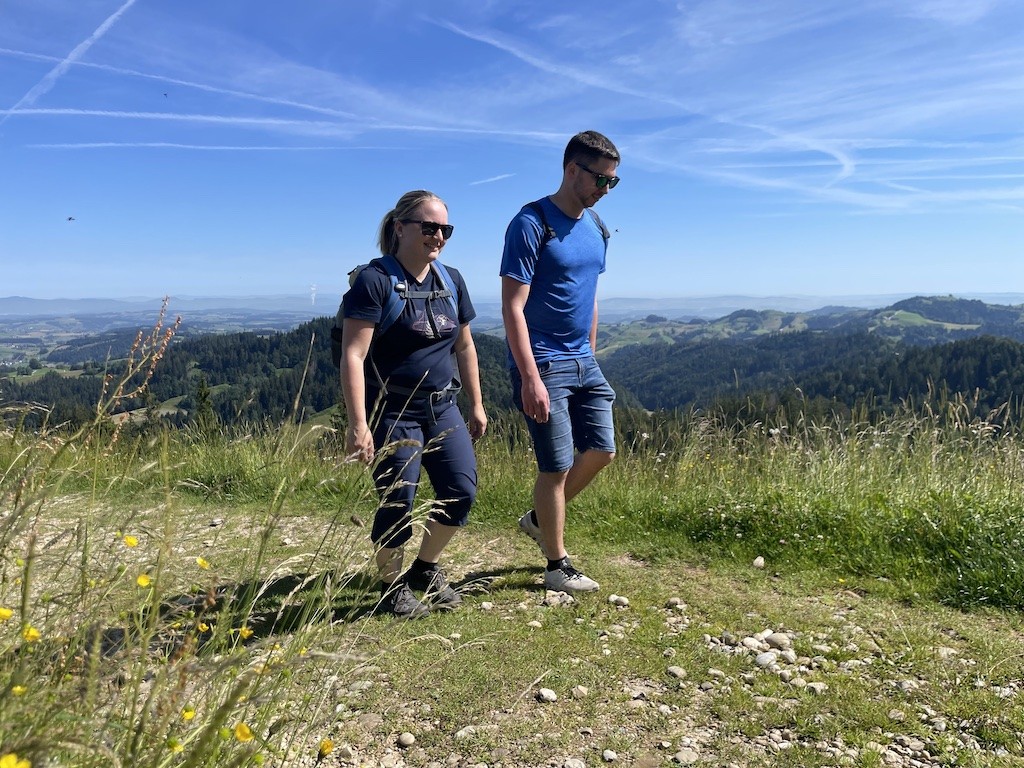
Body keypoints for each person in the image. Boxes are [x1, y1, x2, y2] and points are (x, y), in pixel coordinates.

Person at [340, 190, 487, 618]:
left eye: (444, 229)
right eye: (428, 227)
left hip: (443, 407)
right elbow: (354, 354)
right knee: (397, 501)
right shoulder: (374, 281)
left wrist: (476, 403)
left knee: (460, 491)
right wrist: (358, 424)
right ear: (400, 227)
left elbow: (465, 347)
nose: (437, 236)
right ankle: (391, 588)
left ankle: (424, 569)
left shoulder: (451, 279)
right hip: (394, 412)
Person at [499, 130, 620, 593]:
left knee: (603, 451)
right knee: (556, 467)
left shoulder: (598, 229)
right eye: (600, 180)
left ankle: (537, 519)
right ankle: (556, 565)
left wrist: (591, 350)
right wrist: (529, 376)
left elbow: (588, 295)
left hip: (583, 358)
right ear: (573, 169)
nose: (604, 190)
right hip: (544, 360)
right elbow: (512, 306)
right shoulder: (531, 222)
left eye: (613, 182)